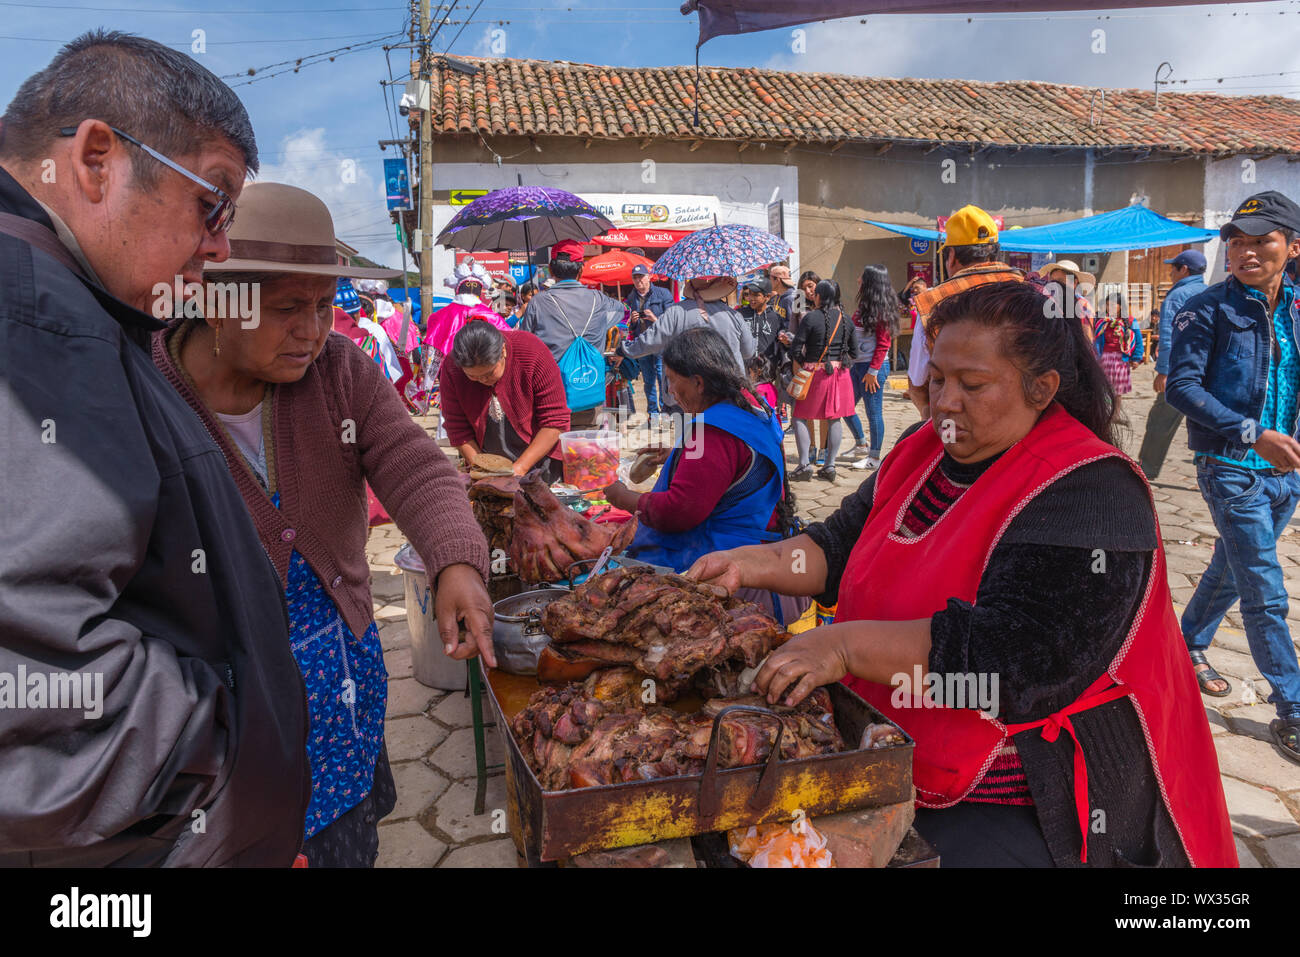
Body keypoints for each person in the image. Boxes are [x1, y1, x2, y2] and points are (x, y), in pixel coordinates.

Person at [687, 281, 1235, 867]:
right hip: (896, 743)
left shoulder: (1091, 489)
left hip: (1025, 789)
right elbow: (836, 544)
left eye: (972, 385)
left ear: (1041, 388)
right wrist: (749, 564)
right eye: (939, 378)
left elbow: (1018, 656)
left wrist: (842, 647)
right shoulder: (924, 449)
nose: (945, 401)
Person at [0, 30, 311, 866]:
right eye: (212, 203)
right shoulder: (36, 319)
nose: (217, 245)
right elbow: (31, 701)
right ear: (98, 158)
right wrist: (230, 754)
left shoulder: (70, 308)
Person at [151, 182, 495, 865]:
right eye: (286, 309)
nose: (312, 330)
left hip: (340, 677)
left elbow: (415, 467)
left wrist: (456, 559)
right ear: (217, 302)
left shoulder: (340, 371)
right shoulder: (148, 389)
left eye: (321, 306)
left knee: (344, 838)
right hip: (220, 714)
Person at [1167, 191, 1300, 759]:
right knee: (1264, 591)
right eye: (1236, 241)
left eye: (1261, 240)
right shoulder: (1208, 307)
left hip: (1287, 473)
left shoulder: (1296, 308)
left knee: (1233, 566)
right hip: (1230, 466)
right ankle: (1292, 707)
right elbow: (1182, 387)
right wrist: (1253, 434)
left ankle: (1187, 642)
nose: (1246, 252)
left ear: (1292, 246)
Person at [605, 328, 800, 622]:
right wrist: (677, 455)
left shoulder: (710, 431)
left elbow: (679, 511)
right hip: (764, 551)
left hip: (729, 573)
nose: (669, 390)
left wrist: (624, 498)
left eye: (671, 380)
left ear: (698, 382)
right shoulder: (754, 405)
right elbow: (737, 467)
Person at [907, 205, 1023, 418]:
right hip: (1022, 426)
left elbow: (916, 383)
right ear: (996, 253)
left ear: (951, 257)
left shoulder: (930, 304)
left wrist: (928, 416)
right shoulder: (1032, 291)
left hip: (958, 429)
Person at [440, 320, 570, 483]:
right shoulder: (452, 367)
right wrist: (483, 470)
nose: (482, 380)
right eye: (472, 376)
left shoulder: (531, 350)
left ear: (503, 350)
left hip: (541, 460)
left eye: (489, 373)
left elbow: (555, 421)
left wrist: (520, 468)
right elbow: (457, 429)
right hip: (487, 460)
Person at [518, 239, 627, 428]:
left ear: (551, 271)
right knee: (586, 452)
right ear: (581, 270)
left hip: (550, 395)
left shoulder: (538, 303)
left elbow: (524, 343)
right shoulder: (599, 300)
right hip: (588, 390)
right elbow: (623, 313)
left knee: (553, 447)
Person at [1138, 249, 1207, 480]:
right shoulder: (1211, 292)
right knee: (1205, 422)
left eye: (1173, 267)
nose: (1170, 272)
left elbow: (1168, 335)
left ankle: (1146, 469)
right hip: (1207, 371)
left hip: (1181, 371)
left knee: (1161, 420)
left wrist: (1164, 372)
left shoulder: (1177, 296)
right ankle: (1209, 468)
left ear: (1183, 269)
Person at [789, 279, 858, 483]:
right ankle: (830, 465)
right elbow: (854, 352)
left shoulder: (810, 319)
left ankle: (804, 465)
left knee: (800, 416)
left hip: (814, 374)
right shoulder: (847, 320)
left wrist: (806, 364)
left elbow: (795, 348)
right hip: (840, 375)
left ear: (819, 296)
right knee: (834, 418)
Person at [620, 275, 755, 376]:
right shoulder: (734, 315)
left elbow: (649, 341)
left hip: (688, 394)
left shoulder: (675, 312)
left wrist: (624, 349)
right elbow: (748, 351)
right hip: (729, 388)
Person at [848, 264, 898, 470]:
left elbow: (884, 343)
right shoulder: (864, 306)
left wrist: (872, 372)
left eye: (862, 277)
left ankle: (874, 458)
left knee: (874, 413)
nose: (858, 279)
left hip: (872, 369)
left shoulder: (882, 309)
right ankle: (861, 442)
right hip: (858, 366)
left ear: (870, 282)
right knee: (845, 406)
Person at [622, 262, 675, 416]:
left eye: (641, 277)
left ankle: (665, 409)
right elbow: (629, 329)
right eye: (635, 278)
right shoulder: (630, 299)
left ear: (649, 277)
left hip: (660, 343)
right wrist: (632, 321)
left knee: (663, 377)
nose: (639, 281)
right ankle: (653, 412)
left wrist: (655, 318)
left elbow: (672, 321)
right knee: (648, 380)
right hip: (643, 344)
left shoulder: (663, 294)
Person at [1093, 288, 1144, 410]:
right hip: (1103, 359)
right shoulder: (1100, 320)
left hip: (1121, 360)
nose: (1108, 308)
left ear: (1120, 306)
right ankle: (1103, 413)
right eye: (1107, 305)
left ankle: (1115, 415)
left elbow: (1138, 340)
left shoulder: (1130, 321)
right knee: (1102, 388)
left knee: (1117, 391)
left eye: (1112, 305)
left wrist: (1136, 358)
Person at [1034, 259, 1096, 342]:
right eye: (1052, 281)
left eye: (1060, 281)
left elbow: (1087, 339)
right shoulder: (1048, 302)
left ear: (1074, 283)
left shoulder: (1082, 305)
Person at [739, 275, 782, 363]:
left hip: (767, 369)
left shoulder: (775, 317)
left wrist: (786, 340)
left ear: (768, 297)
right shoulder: (739, 314)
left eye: (756, 295)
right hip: (744, 368)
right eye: (749, 294)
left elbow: (781, 340)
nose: (751, 298)